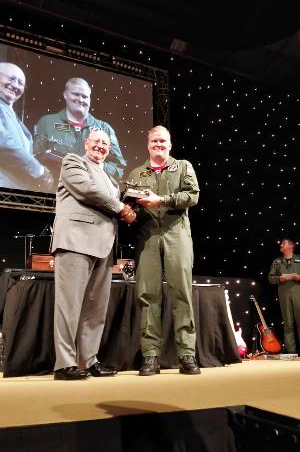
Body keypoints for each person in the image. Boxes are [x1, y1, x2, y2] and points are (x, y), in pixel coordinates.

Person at [51, 128, 136, 380]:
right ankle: (64, 364)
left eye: (105, 143)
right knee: (69, 306)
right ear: (86, 143)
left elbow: (110, 201)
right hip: (76, 241)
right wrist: (122, 207)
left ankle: (88, 360)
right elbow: (87, 190)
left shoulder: (110, 178)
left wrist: (130, 207)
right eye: (96, 141)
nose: (100, 146)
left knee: (95, 309)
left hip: (103, 245)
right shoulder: (73, 161)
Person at [127, 125, 201, 375]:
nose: (158, 145)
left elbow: (193, 196)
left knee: (182, 293)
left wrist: (162, 200)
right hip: (147, 237)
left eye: (163, 141)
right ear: (147, 145)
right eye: (154, 141)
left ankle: (187, 355)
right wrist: (128, 212)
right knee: (148, 296)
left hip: (176, 235)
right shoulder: (137, 173)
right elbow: (131, 206)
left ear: (170, 144)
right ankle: (150, 356)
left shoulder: (183, 166)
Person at [33, 77, 127, 183]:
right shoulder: (47, 122)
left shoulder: (105, 128)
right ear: (65, 95)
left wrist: (96, 166)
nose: (81, 99)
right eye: (76, 94)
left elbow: (119, 167)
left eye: (85, 96)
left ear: (90, 100)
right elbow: (35, 157)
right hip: (56, 192)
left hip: (91, 194)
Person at [0, 62, 53, 191]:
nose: (15, 85)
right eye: (11, 79)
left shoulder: (11, 113)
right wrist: (39, 170)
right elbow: (3, 141)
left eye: (20, 83)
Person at [268, 238, 300, 354]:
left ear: (291, 246)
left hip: (298, 294)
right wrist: (278, 278)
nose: (280, 245)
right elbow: (270, 278)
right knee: (288, 323)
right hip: (284, 295)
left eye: (283, 243)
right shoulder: (277, 261)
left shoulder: (299, 259)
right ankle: (291, 351)